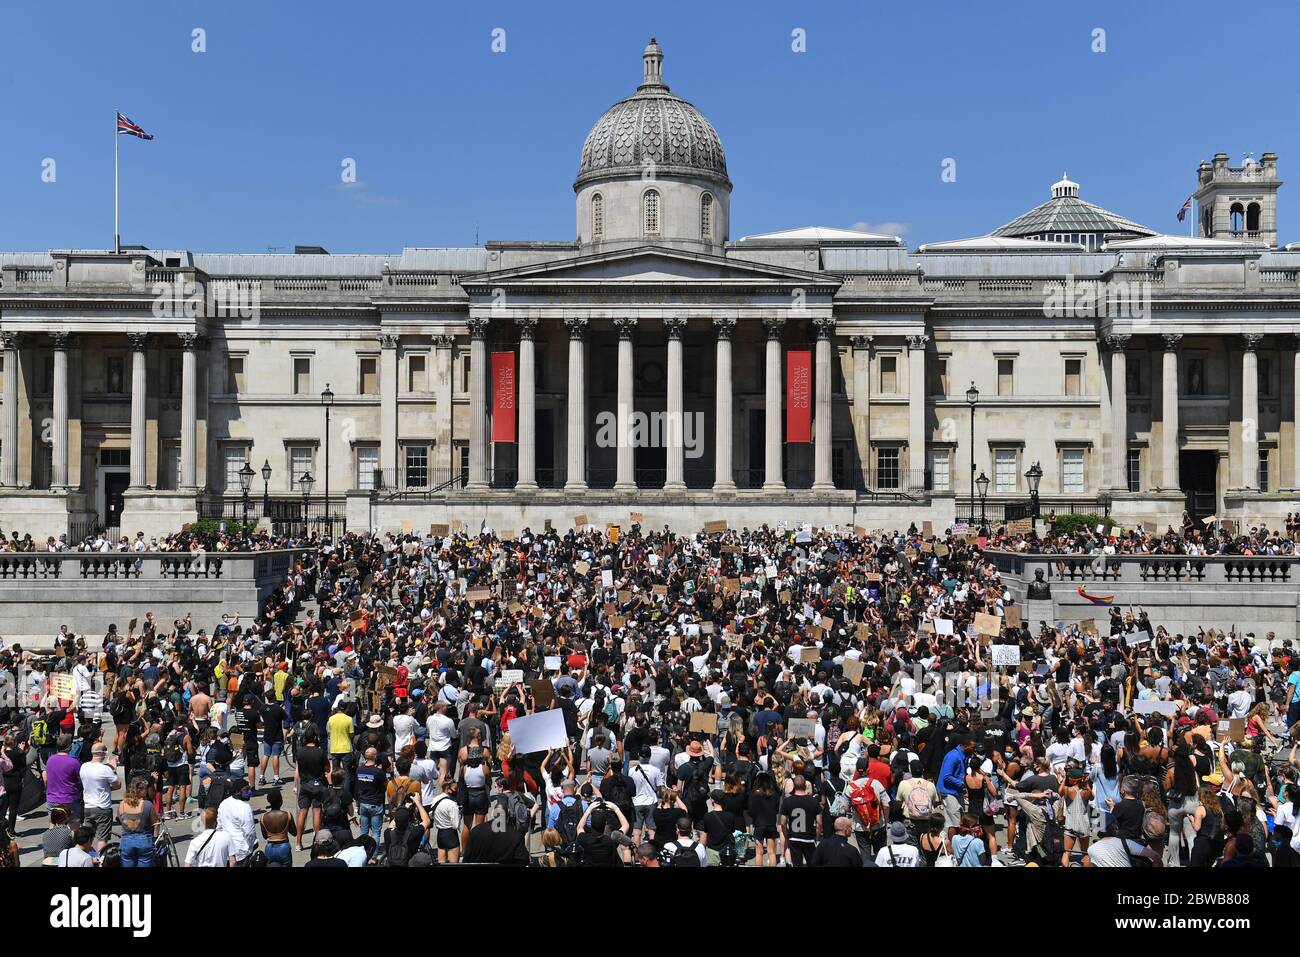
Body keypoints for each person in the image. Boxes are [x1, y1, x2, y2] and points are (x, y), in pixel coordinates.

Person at [79, 743, 119, 852]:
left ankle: (84, 858)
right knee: (102, 838)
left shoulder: (84, 766)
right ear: (102, 753)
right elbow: (117, 785)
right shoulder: (105, 769)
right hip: (102, 808)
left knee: (86, 837)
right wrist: (113, 768)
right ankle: (100, 859)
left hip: (88, 807)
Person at [117, 776, 156, 867]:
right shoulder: (147, 805)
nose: (146, 791)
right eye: (145, 789)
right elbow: (155, 823)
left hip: (126, 841)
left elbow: (120, 820)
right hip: (144, 841)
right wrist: (154, 838)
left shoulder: (121, 804)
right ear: (140, 790)